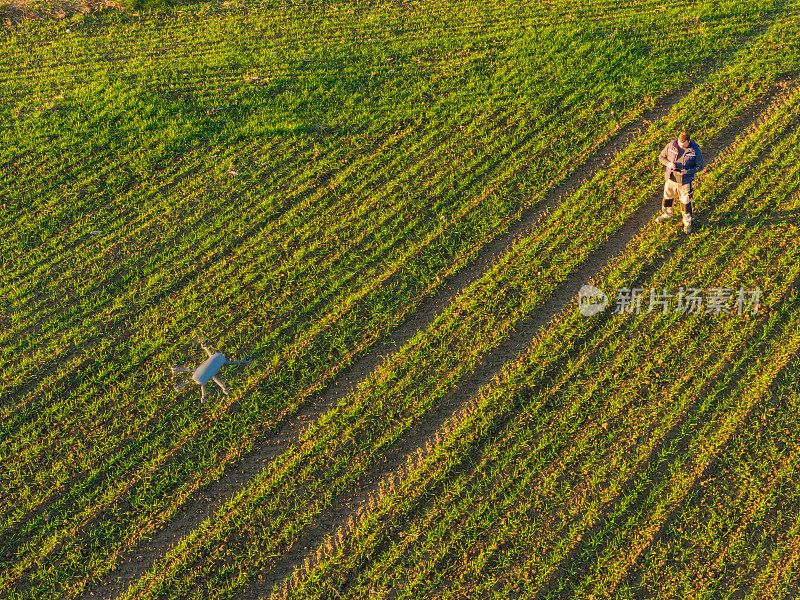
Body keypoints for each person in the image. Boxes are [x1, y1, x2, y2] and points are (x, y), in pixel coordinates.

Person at [656, 131, 703, 234]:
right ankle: (666, 215)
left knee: (686, 202)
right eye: (679, 143)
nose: (681, 146)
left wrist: (688, 171)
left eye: (683, 144)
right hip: (671, 179)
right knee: (668, 198)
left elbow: (700, 166)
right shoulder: (671, 145)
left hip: (685, 181)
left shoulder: (695, 149)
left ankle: (687, 223)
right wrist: (668, 164)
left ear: (688, 141)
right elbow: (661, 157)